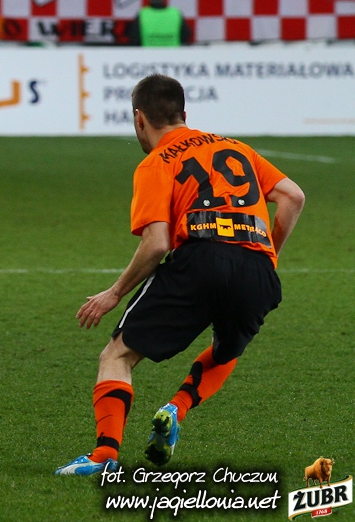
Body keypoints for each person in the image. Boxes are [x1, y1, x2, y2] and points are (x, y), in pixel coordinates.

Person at [55, 74, 304, 475]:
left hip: (201, 259)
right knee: (226, 351)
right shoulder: (236, 148)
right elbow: (293, 196)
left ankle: (104, 456)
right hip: (257, 270)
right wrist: (267, 255)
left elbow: (157, 243)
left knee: (117, 355)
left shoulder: (156, 163)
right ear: (184, 114)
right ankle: (177, 408)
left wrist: (115, 292)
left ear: (139, 119)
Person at [126, 0, 192, 47]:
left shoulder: (143, 14)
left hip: (148, 54)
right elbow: (186, 34)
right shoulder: (175, 13)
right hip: (172, 54)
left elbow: (134, 37)